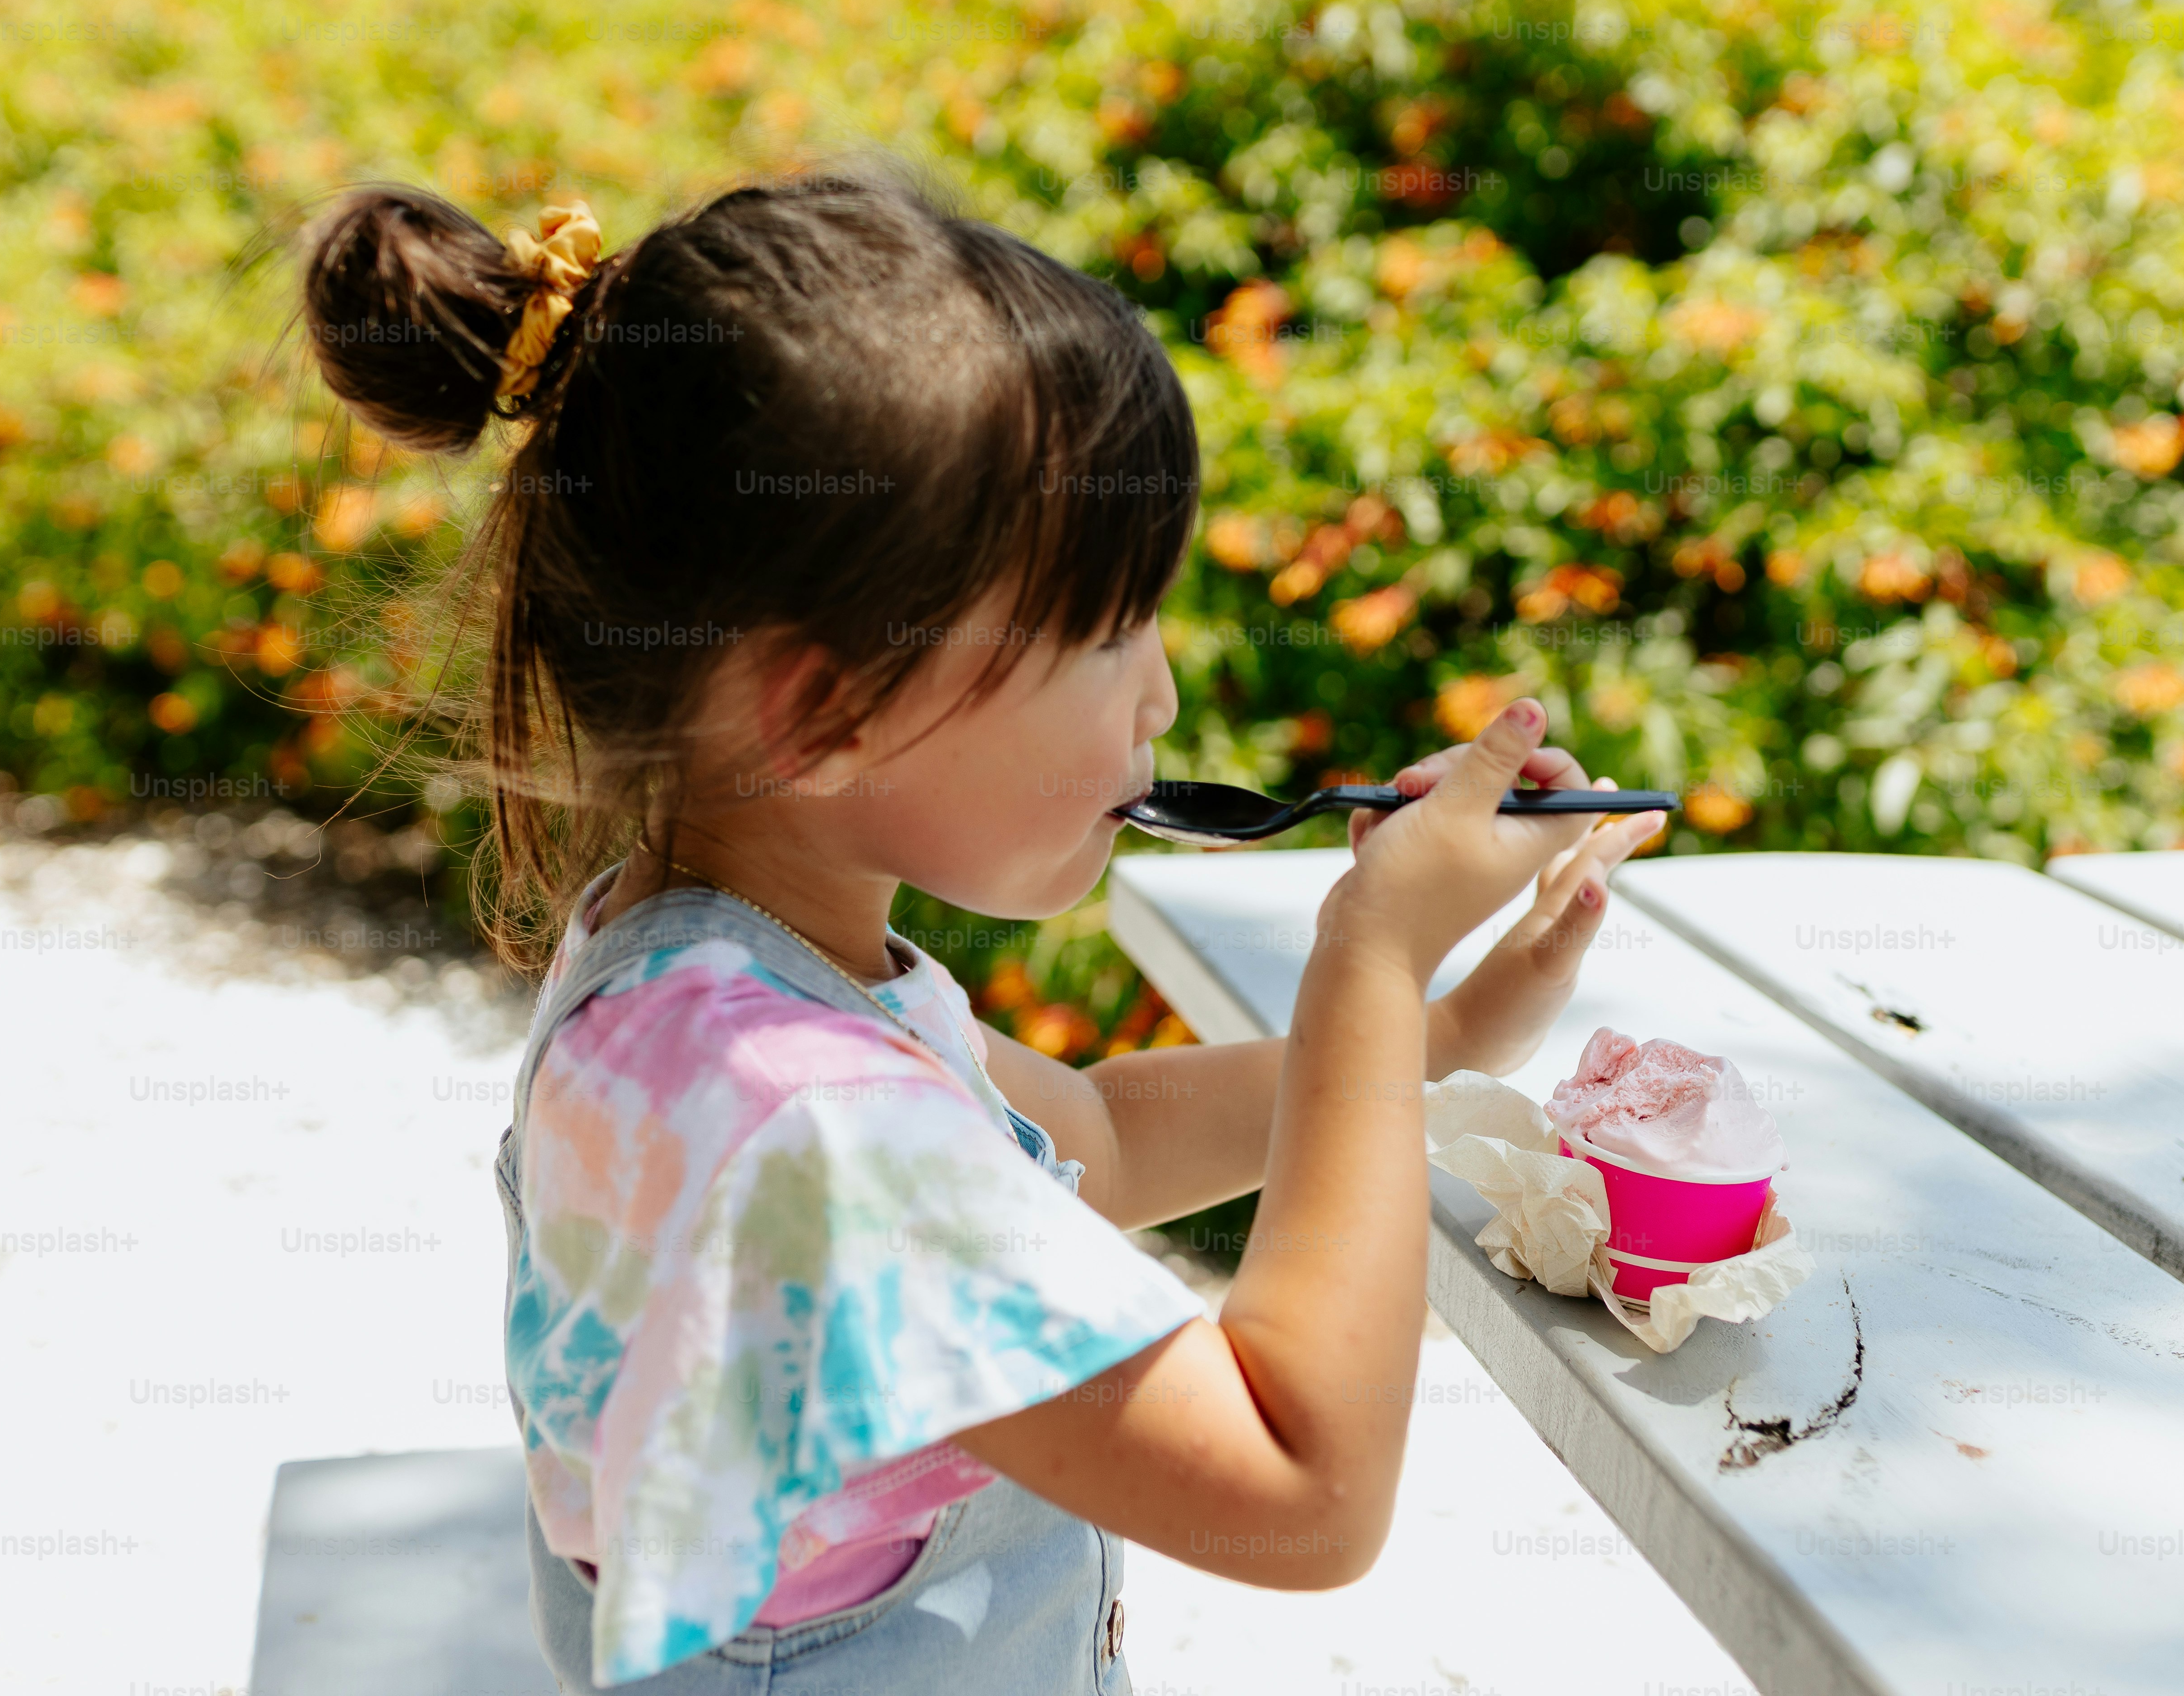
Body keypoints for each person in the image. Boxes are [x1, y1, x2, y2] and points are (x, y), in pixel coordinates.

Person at [295, 165, 1662, 1694]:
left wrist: (1444, 1030)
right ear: (823, 712)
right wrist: (1370, 961)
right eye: (1104, 632)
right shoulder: (800, 1122)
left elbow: (1101, 1140)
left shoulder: (715, 979)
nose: (1162, 696)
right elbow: (1305, 1488)